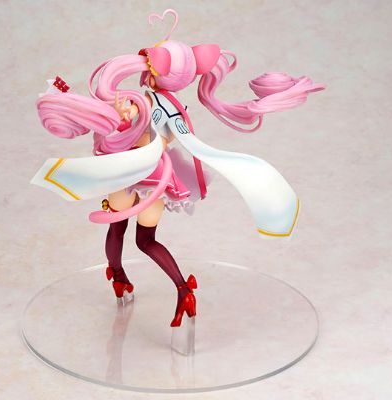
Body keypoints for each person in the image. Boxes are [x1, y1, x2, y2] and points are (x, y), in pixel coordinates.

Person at [31, 9, 325, 327]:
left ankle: (117, 276)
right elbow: (168, 139)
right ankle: (183, 289)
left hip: (131, 173)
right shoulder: (176, 107)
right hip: (158, 177)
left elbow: (126, 129)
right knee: (146, 240)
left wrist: (111, 115)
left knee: (117, 229)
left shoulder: (141, 102)